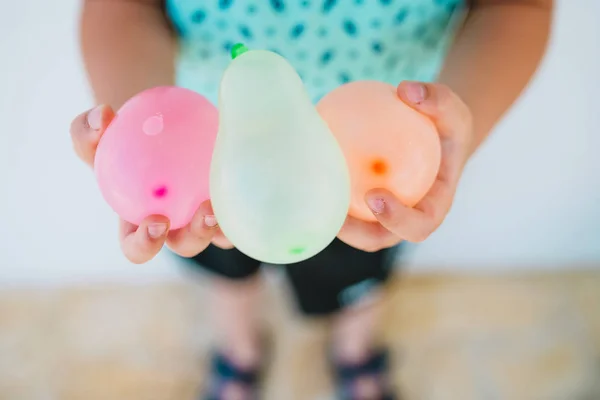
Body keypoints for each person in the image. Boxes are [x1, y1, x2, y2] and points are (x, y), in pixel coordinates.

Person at [70, 0, 553, 398]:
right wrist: (137, 135)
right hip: (208, 155)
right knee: (221, 267)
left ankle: (355, 351)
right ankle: (239, 352)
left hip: (373, 156)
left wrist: (456, 135)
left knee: (362, 271)